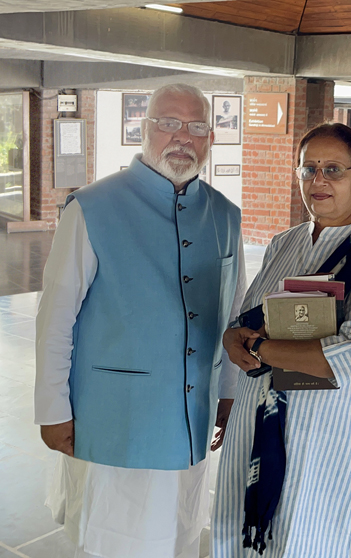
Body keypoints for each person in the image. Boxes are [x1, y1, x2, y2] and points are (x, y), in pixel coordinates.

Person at [34, 83, 245, 558]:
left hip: (191, 420)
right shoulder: (92, 206)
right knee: (114, 540)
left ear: (211, 138)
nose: (182, 137)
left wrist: (229, 393)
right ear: (144, 129)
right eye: (169, 123)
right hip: (116, 417)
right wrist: (52, 409)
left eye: (196, 127)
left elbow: (232, 312)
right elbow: (56, 316)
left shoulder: (225, 215)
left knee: (181, 536)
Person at [212, 123, 351, 558]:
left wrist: (258, 348)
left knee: (306, 536)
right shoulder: (284, 243)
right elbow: (247, 317)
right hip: (258, 416)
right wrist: (231, 338)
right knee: (243, 534)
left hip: (323, 429)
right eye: (308, 169)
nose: (319, 181)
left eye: (333, 169)